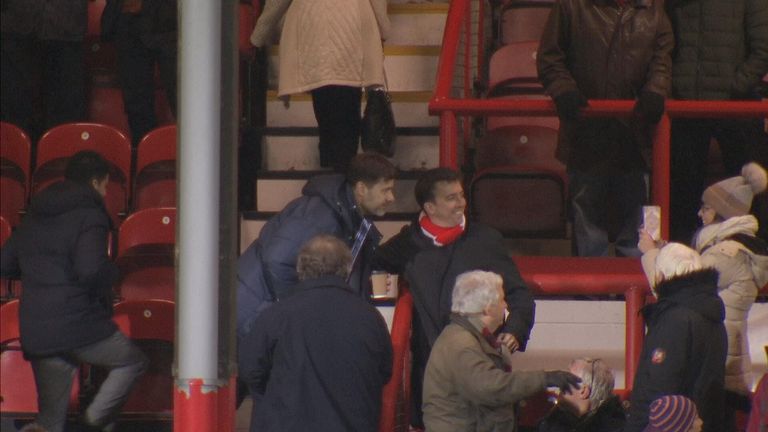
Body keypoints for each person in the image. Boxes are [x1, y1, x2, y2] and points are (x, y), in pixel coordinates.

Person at [374, 167, 535, 429]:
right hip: (430, 371)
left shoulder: (485, 239)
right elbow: (371, 262)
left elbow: (519, 295)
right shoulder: (407, 244)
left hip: (480, 367)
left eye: (461, 195)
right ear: (430, 207)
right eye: (451, 198)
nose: (461, 203)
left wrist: (515, 331)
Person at [0, 151, 148, 432]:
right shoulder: (90, 215)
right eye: (105, 186)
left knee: (50, 423)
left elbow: (5, 263)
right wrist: (116, 272)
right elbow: (91, 270)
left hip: (37, 326)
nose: (105, 193)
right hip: (76, 322)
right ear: (95, 182)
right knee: (131, 362)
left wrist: (41, 271)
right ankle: (93, 422)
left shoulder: (35, 213)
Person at [537, 0, 674, 257]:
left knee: (639, 222)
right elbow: (550, 58)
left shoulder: (655, 9)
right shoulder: (570, 6)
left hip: (636, 133)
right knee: (587, 219)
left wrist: (656, 91)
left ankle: (638, 287)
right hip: (586, 131)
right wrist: (563, 90)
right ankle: (591, 291)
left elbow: (662, 60)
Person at [642, 162, 768, 430]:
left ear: (723, 213)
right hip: (728, 362)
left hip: (715, 368)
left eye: (706, 207)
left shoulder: (723, 255)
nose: (700, 214)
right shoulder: (735, 250)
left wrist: (651, 254)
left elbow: (676, 291)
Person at [238, 235, 392, 432]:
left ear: (301, 268)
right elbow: (385, 372)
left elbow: (250, 369)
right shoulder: (370, 318)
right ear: (347, 268)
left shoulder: (277, 315)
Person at [236, 152, 396, 340]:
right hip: (253, 313)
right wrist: (299, 314)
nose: (391, 197)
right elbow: (277, 259)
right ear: (361, 189)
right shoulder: (321, 215)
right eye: (385, 190)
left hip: (260, 314)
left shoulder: (347, 217)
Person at [422, 270, 581, 432]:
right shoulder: (462, 345)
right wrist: (544, 378)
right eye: (501, 300)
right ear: (486, 309)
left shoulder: (465, 337)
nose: (505, 305)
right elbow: (490, 386)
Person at [666, 0, 768, 244]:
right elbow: (664, 42)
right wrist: (675, 85)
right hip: (686, 105)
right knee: (683, 192)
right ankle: (682, 263)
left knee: (750, 188)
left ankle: (755, 254)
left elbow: (763, 47)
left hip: (736, 106)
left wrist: (737, 85)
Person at [249, 0, 390, 172]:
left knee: (325, 107)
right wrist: (383, 28)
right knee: (347, 108)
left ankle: (332, 171)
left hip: (312, 25)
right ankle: (344, 173)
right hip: (354, 22)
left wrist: (258, 36)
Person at [625, 243, 726, 432]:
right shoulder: (712, 315)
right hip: (701, 422)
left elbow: (657, 385)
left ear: (661, 276)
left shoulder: (675, 318)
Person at [0, 0, 88, 139]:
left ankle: (60, 156)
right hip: (15, 26)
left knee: (64, 116)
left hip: (65, 27)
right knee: (14, 110)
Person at [101, 0, 178, 145]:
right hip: (128, 26)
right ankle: (144, 157)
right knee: (136, 104)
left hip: (170, 27)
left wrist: (147, 5)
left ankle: (192, 154)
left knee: (183, 98)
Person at [538, 358, 626, 432]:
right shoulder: (554, 421)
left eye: (567, 379)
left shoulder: (613, 427)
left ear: (584, 392)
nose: (560, 383)